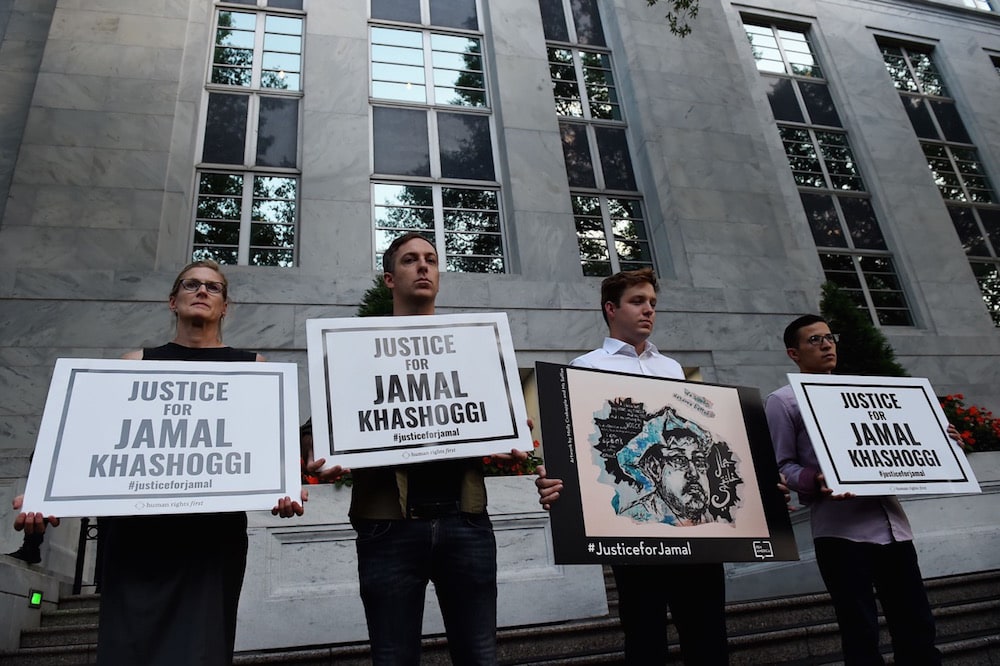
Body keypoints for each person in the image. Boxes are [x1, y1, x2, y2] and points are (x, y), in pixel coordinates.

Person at [12, 259, 306, 666]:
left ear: (225, 307)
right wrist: (43, 492)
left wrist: (285, 486)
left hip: (209, 541)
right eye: (191, 285)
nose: (202, 291)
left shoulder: (253, 368)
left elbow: (269, 451)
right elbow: (88, 440)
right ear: (173, 301)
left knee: (201, 649)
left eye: (213, 287)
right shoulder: (134, 363)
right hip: (138, 539)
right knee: (129, 648)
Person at [341, 232, 524, 666]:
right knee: (393, 658)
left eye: (431, 259)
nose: (423, 266)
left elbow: (496, 426)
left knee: (479, 656)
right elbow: (333, 432)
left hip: (466, 523)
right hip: (388, 528)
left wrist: (508, 436)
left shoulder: (473, 348)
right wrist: (327, 455)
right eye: (409, 260)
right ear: (389, 278)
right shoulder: (355, 351)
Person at [535, 267, 729, 665]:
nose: (649, 311)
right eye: (638, 302)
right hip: (631, 528)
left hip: (693, 526)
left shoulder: (673, 369)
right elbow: (578, 443)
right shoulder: (585, 366)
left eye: (653, 304)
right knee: (644, 631)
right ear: (611, 308)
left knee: (707, 628)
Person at [765, 314, 944, 665]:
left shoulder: (866, 394)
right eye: (814, 340)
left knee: (917, 628)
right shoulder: (783, 401)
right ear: (793, 353)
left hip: (894, 529)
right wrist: (814, 479)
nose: (827, 344)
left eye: (830, 337)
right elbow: (782, 465)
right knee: (860, 634)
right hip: (841, 535)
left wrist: (941, 441)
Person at [621, 426, 712, 525]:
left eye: (699, 462)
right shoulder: (636, 519)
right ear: (655, 468)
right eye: (679, 460)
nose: (694, 473)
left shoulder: (709, 520)